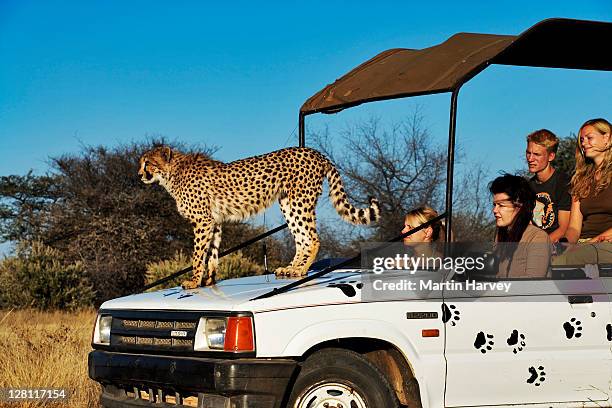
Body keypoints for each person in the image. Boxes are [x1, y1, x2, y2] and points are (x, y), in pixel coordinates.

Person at [556, 118, 612, 264]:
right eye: (581, 140)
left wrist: (588, 245)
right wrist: (565, 244)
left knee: (569, 261)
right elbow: (574, 227)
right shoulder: (580, 180)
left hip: (605, 242)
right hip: (583, 244)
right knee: (552, 260)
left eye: (589, 138)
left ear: (606, 138)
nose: (584, 143)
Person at [490, 174, 551, 278]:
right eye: (494, 205)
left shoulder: (537, 237)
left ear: (519, 205)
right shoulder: (500, 236)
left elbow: (533, 284)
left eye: (501, 205)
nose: (495, 210)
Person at [525, 129, 571, 242]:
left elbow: (564, 228)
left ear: (551, 156)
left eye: (536, 154)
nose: (530, 159)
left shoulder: (563, 183)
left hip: (556, 246)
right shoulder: (527, 187)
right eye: (528, 153)